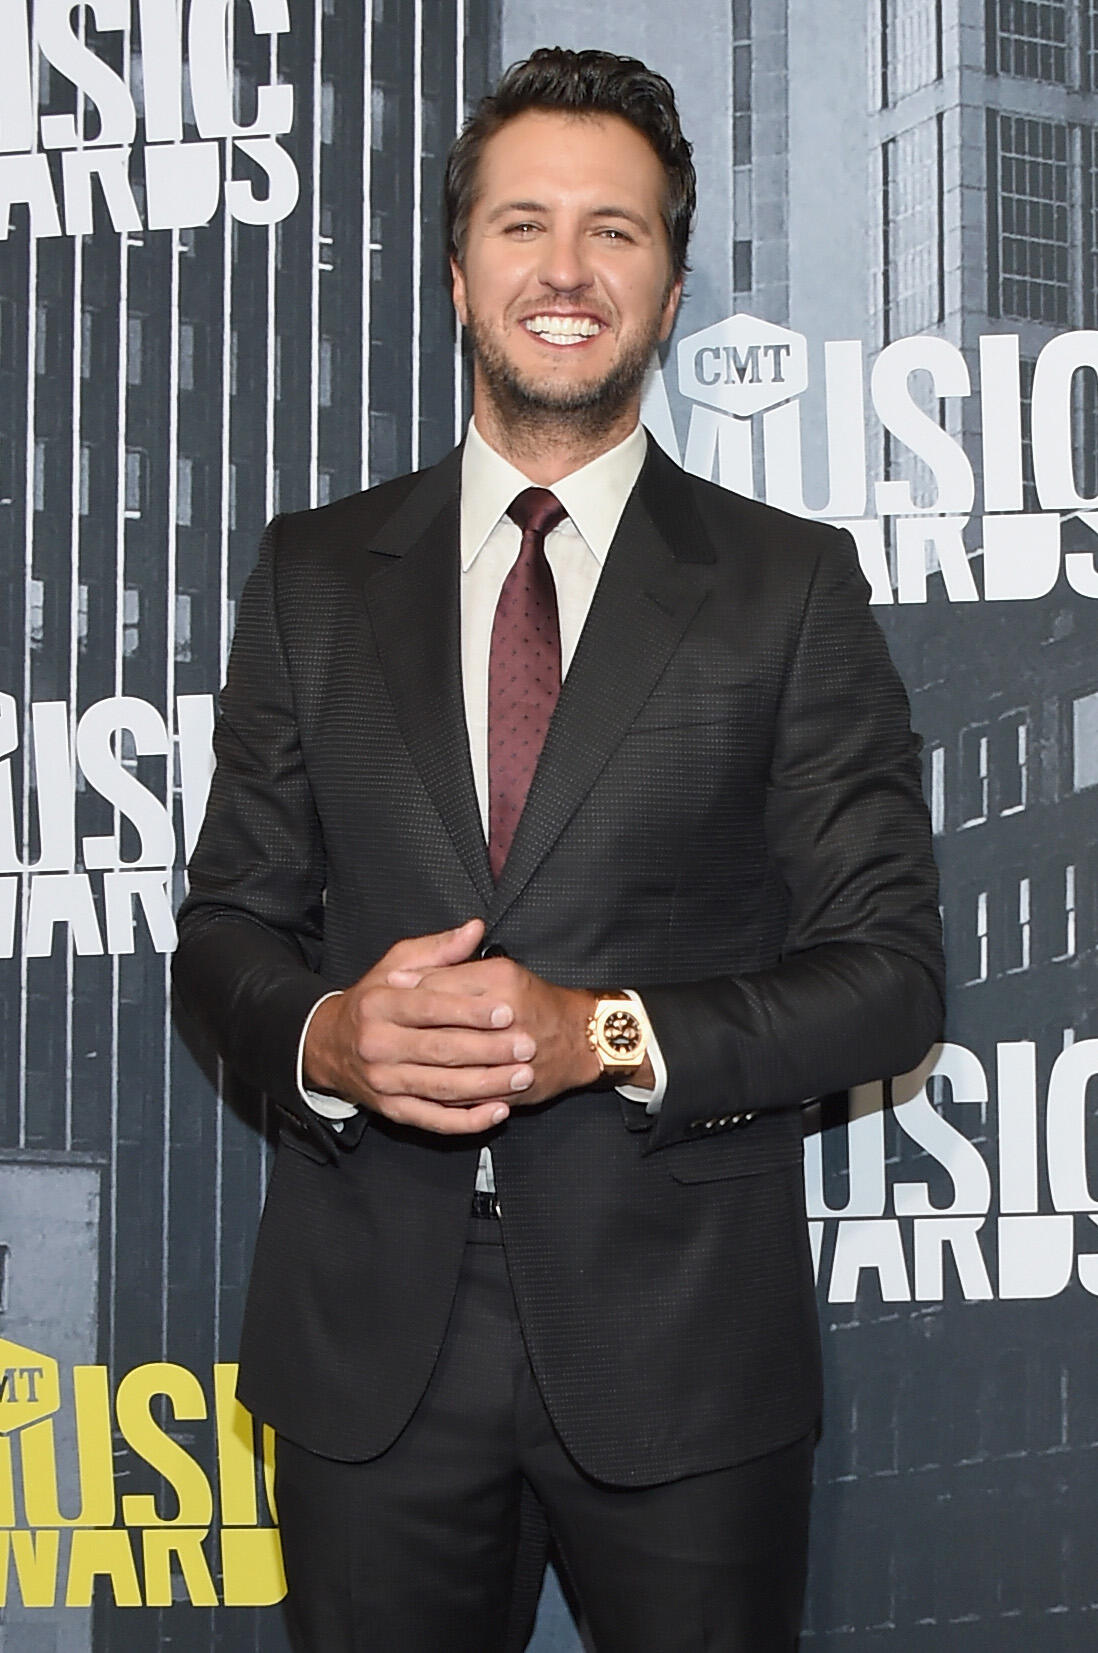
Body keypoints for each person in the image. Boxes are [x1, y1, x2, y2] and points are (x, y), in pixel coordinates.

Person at [173, 46, 944, 1653]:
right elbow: (229, 930)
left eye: (618, 231)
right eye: (525, 225)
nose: (567, 270)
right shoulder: (312, 574)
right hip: (365, 1355)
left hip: (685, 1359)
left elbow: (886, 980)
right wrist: (327, 1031)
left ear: (668, 292)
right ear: (460, 276)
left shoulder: (782, 588)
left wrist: (598, 1034)